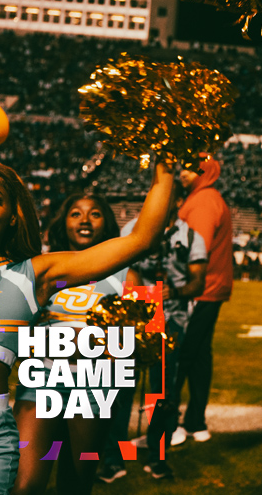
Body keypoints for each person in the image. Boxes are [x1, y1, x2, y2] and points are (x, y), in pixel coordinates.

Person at [0, 159, 173, 495]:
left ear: (13, 214)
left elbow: (142, 239)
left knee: (73, 481)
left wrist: (166, 163)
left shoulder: (34, 274)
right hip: (39, 385)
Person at [12, 194, 133, 495]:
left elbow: (134, 339)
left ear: (106, 223)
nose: (84, 220)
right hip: (42, 378)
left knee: (75, 484)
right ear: (63, 222)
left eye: (94, 214)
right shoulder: (43, 268)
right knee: (23, 484)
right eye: (75, 214)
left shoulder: (126, 271)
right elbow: (14, 326)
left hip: (95, 384)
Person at [99, 182, 208, 481]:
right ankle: (114, 457)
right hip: (133, 318)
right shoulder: (132, 228)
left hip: (170, 322)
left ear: (178, 200)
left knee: (162, 393)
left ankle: (157, 456)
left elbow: (198, 282)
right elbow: (123, 269)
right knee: (120, 390)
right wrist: (143, 301)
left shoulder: (190, 236)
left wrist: (171, 292)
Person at [174, 155, 233, 443]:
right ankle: (195, 421)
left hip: (199, 290)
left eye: (190, 168)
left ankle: (169, 423)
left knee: (180, 356)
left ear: (206, 172)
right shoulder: (206, 197)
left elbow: (196, 247)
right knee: (198, 356)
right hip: (211, 288)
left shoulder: (202, 201)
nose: (183, 173)